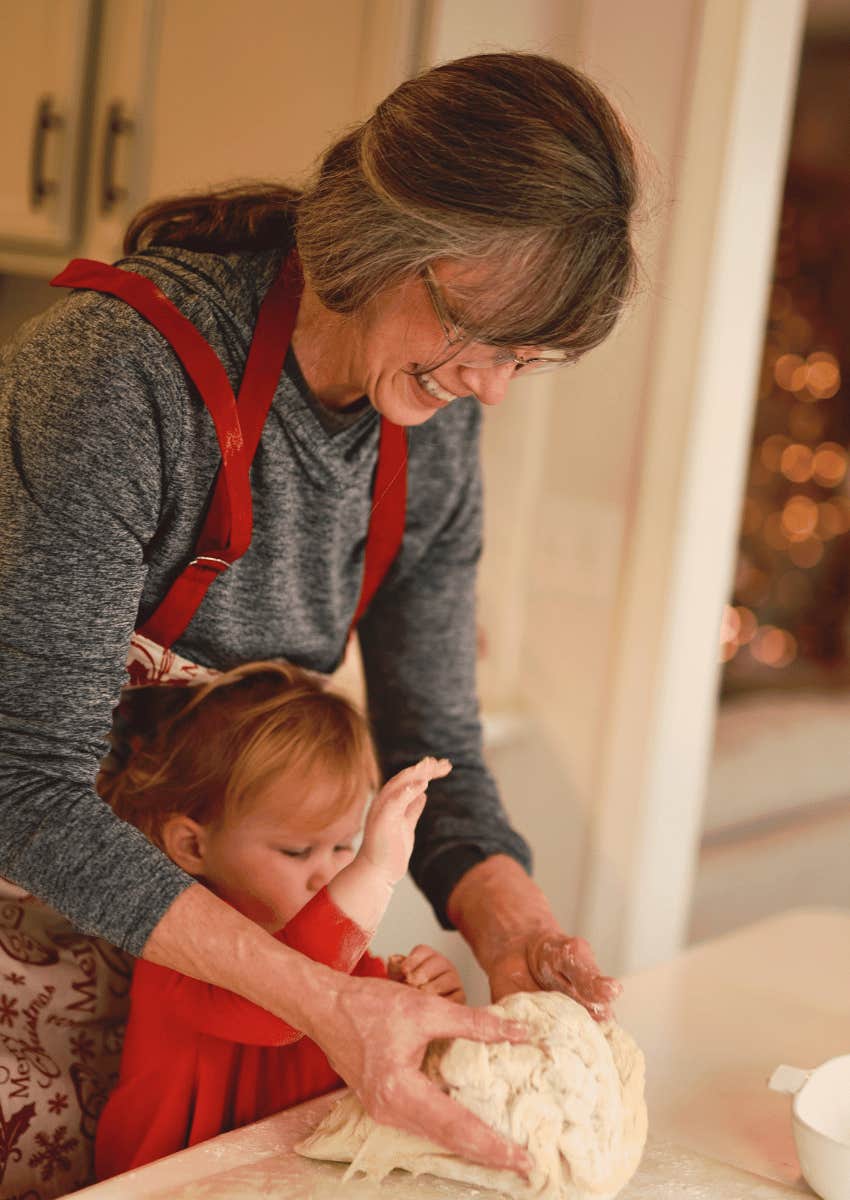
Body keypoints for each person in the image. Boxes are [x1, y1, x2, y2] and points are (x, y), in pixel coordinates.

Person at [0, 51, 639, 1175]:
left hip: (204, 980)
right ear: (386, 244)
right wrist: (327, 1003)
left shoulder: (430, 429)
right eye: (479, 337)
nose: (489, 388)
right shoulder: (116, 378)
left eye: (526, 359)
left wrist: (515, 929)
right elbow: (23, 788)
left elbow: (438, 751)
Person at [94, 660, 465, 1178]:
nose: (328, 875)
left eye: (344, 846)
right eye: (296, 851)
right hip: (162, 1183)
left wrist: (421, 1001)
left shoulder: (339, 948)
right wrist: (374, 871)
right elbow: (282, 1011)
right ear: (193, 845)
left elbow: (369, 1047)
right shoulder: (175, 947)